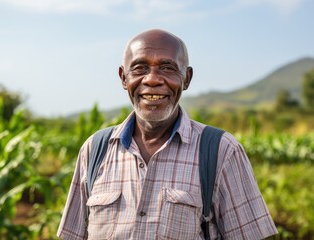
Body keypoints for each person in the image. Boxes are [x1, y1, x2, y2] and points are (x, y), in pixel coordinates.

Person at [57, 29, 278, 240]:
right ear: (124, 78)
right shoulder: (95, 149)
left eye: (168, 68)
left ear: (187, 78)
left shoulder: (221, 151)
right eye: (140, 68)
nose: (152, 79)